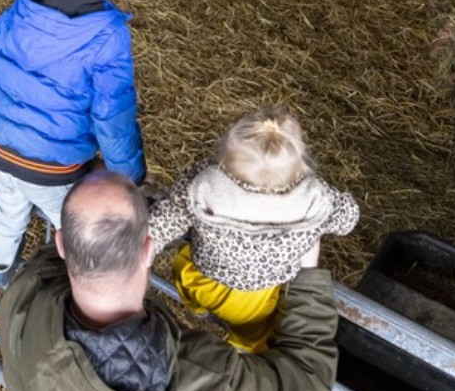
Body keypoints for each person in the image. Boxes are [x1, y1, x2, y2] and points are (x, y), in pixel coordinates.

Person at [0, 171, 339, 391]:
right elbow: (307, 382)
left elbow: (60, 257)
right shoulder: (207, 383)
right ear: (150, 250)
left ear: (61, 244)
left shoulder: (23, 296)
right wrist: (307, 273)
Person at [0, 0, 144, 287]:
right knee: (73, 228)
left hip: (1, 148)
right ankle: (78, 288)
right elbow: (112, 110)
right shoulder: (108, 33)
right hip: (56, 165)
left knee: (7, 214)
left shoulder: (24, 4)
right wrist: (127, 172)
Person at [149, 107, 360, 352]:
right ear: (300, 159)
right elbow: (348, 219)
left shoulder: (201, 185)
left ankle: (197, 309)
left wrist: (135, 251)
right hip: (255, 300)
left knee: (184, 273)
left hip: (201, 279)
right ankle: (242, 351)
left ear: (225, 155)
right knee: (253, 334)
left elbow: (164, 222)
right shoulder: (315, 200)